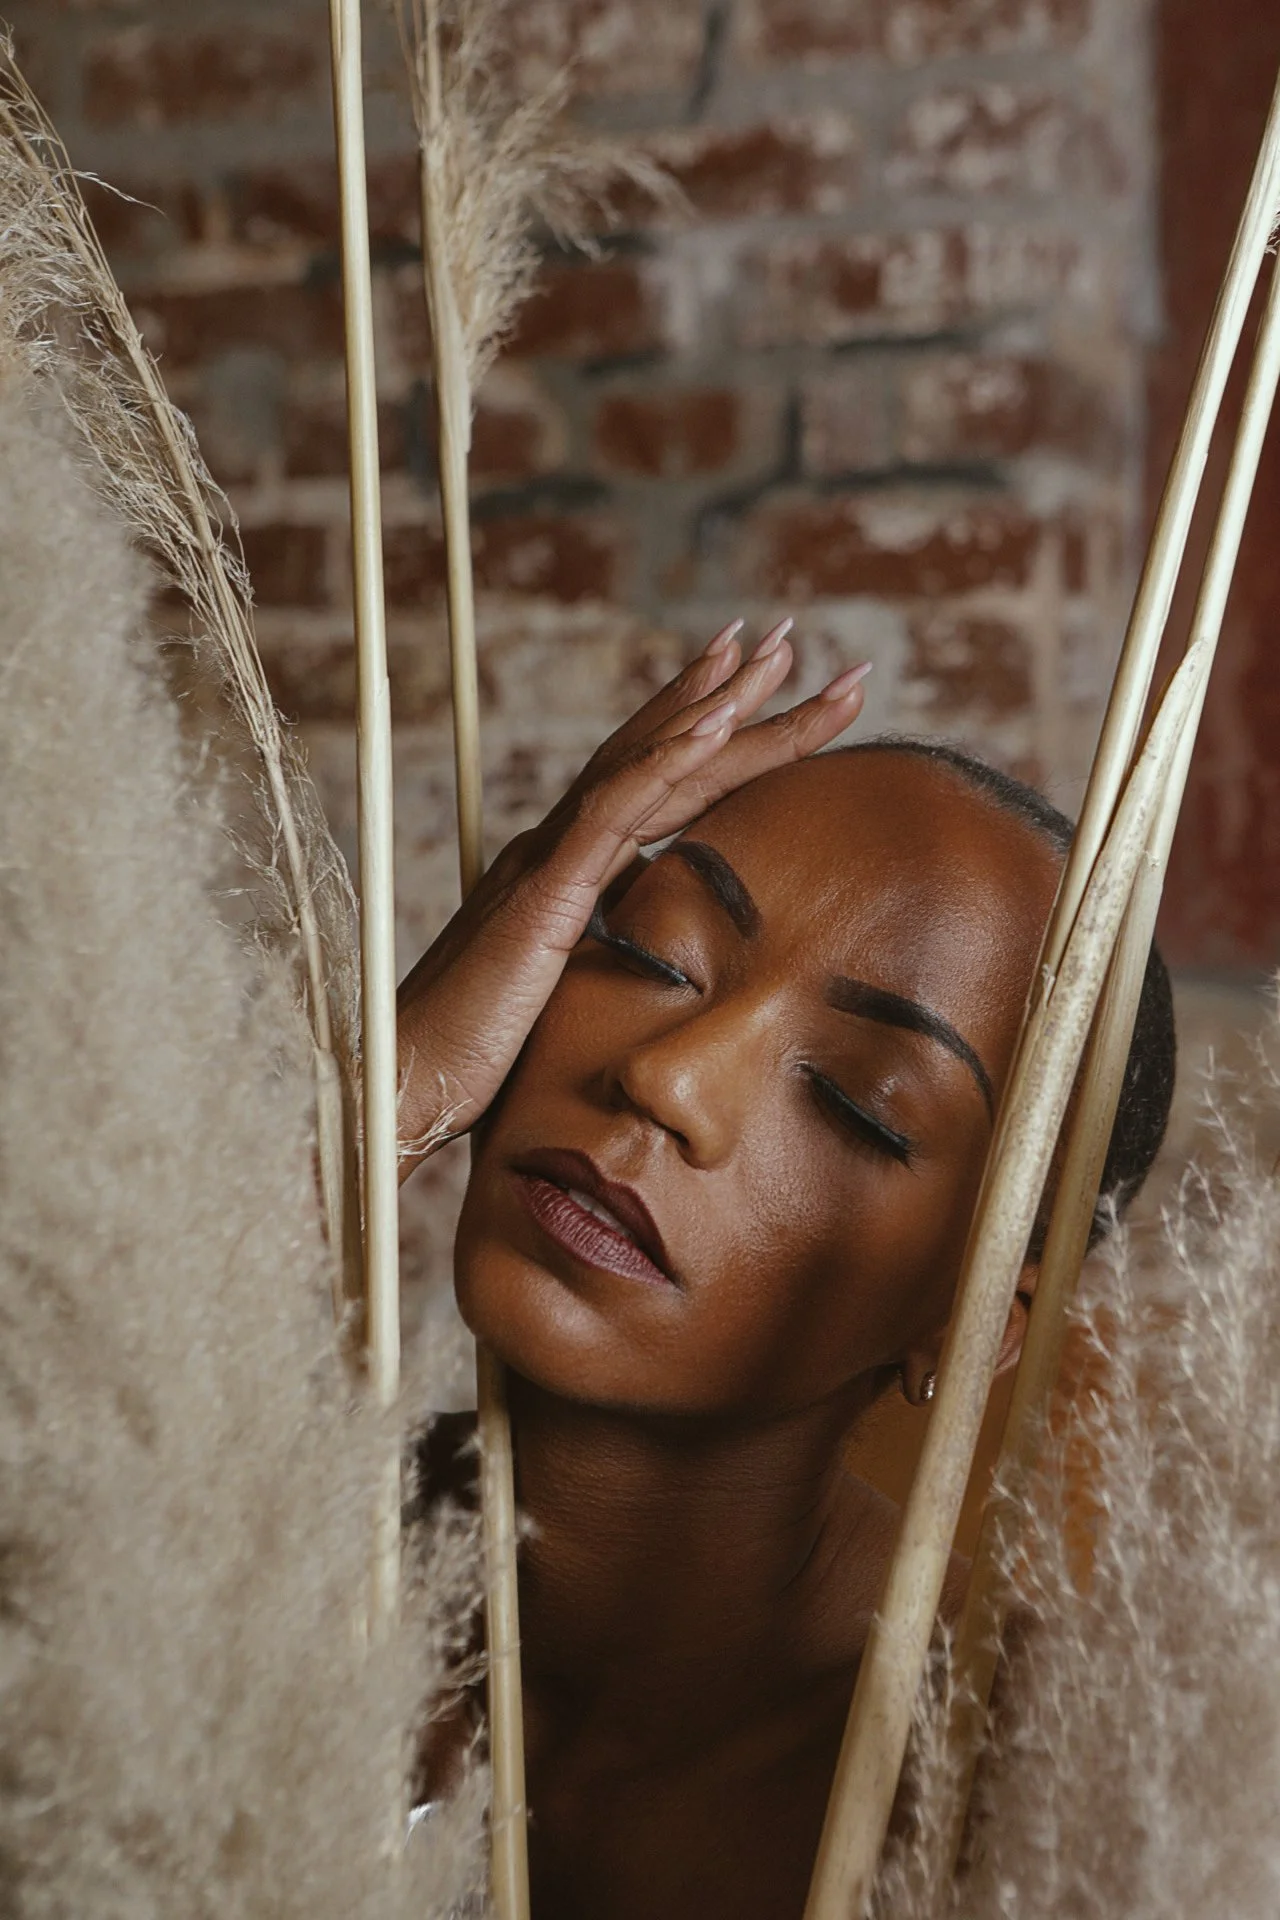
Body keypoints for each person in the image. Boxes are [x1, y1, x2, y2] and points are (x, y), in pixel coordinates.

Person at [396, 617, 1175, 1920]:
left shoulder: (1032, 1790)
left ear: (979, 1316)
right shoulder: (243, 1534)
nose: (666, 1075)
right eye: (651, 955)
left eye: (864, 1104)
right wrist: (381, 1100)